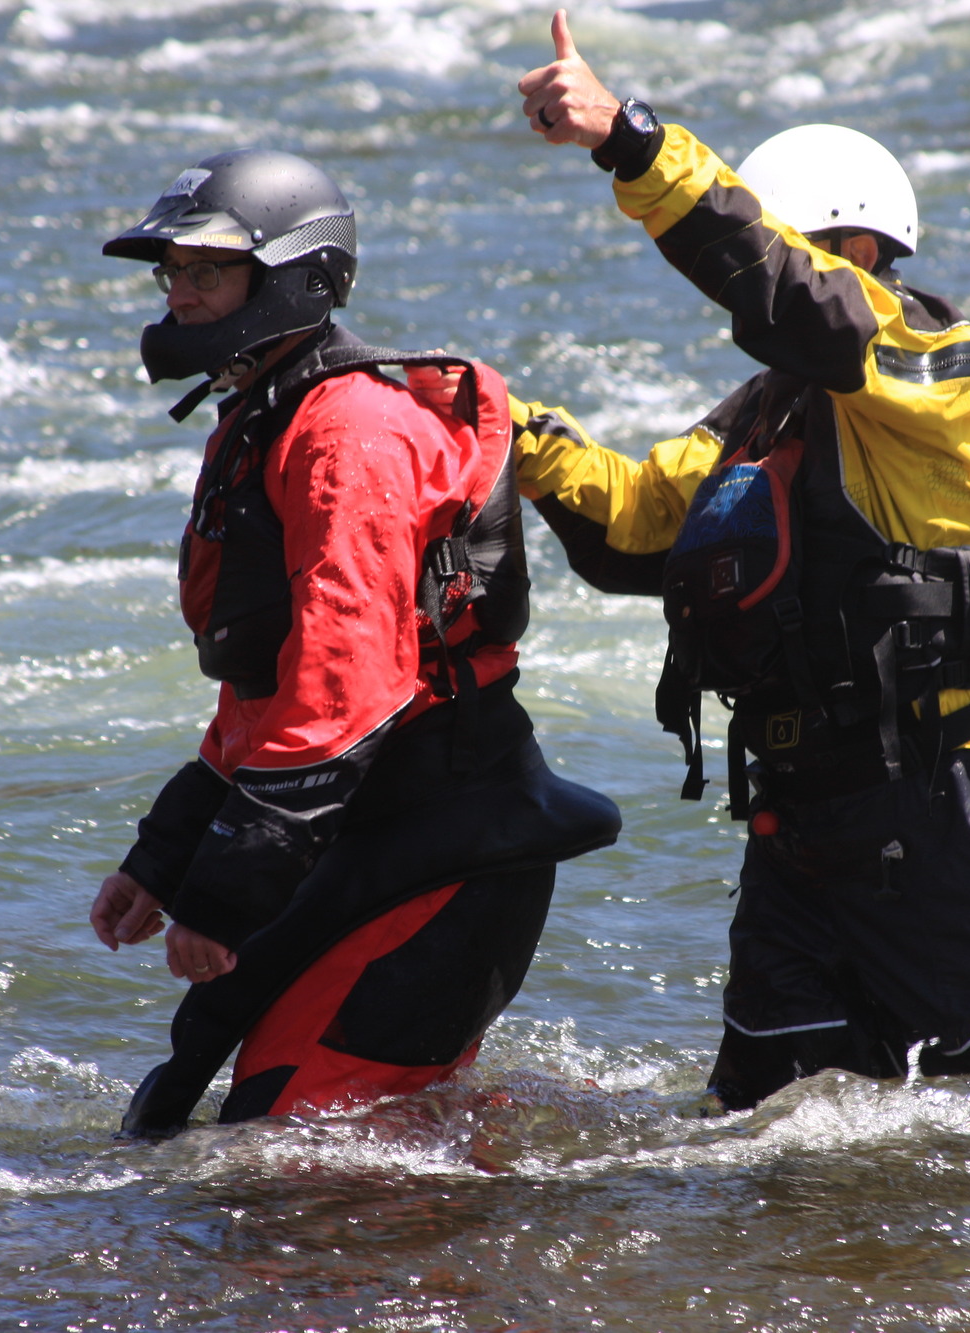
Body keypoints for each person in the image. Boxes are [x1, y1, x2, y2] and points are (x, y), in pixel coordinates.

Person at [505, 12, 970, 1112]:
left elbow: (790, 294)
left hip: (956, 805)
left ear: (860, 254)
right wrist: (514, 433)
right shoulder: (760, 417)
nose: (756, 275)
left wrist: (628, 141)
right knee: (766, 1125)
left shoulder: (932, 363)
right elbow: (639, 521)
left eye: (783, 244)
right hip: (802, 826)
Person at [88, 145, 619, 1137]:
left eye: (208, 269)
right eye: (175, 273)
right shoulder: (266, 415)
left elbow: (343, 696)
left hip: (443, 848)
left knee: (295, 1161)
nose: (181, 294)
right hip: (359, 835)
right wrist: (164, 859)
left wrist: (223, 893)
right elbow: (271, 693)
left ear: (293, 274)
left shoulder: (349, 437)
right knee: (179, 1123)